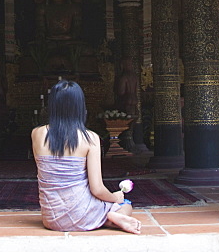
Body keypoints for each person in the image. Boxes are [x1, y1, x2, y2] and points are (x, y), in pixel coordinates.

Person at [31, 79, 141, 234]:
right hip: (83, 213)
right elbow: (97, 189)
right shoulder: (90, 138)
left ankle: (109, 218)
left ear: (52, 106)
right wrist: (115, 197)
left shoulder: (37, 134)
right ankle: (113, 217)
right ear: (80, 106)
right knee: (126, 204)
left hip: (52, 219)